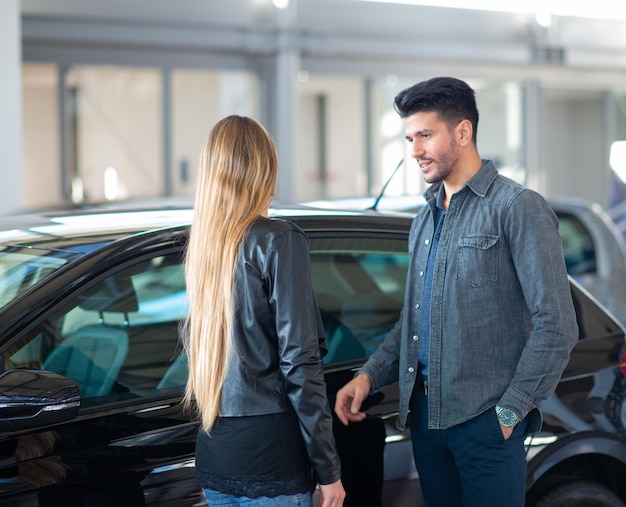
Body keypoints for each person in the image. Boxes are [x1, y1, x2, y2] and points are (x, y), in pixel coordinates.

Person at [334, 77, 579, 507]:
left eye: (426, 136)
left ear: (463, 132)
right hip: (427, 422)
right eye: (410, 138)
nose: (415, 151)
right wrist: (369, 375)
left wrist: (508, 414)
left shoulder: (516, 208)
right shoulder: (424, 220)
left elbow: (556, 324)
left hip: (485, 423)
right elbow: (414, 322)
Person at [182, 115, 345, 507]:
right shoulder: (278, 240)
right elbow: (300, 362)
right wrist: (329, 471)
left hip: (215, 455)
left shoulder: (203, 248)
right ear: (264, 168)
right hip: (272, 458)